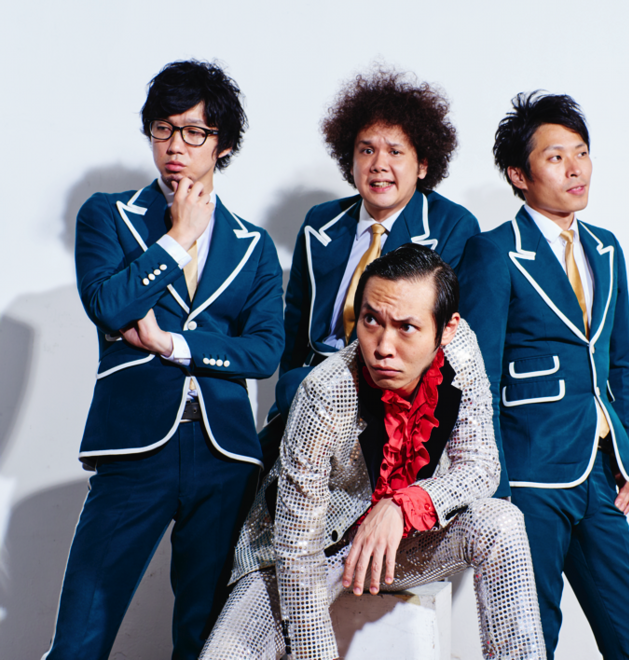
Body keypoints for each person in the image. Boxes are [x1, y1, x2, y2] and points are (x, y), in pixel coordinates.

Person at [42, 60, 284, 660]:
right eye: (163, 129)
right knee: (82, 632)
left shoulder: (254, 246)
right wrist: (178, 239)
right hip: (135, 444)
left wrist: (172, 345)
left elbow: (264, 350)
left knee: (205, 637)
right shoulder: (108, 215)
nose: (176, 146)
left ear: (223, 145)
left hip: (224, 454)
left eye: (194, 132)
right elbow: (109, 304)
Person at [201, 245, 545, 660]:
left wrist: (405, 505)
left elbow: (482, 466)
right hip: (304, 555)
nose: (383, 346)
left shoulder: (461, 351)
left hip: (400, 546)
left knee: (502, 521)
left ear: (447, 329)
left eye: (406, 328)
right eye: (371, 321)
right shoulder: (325, 392)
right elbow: (296, 547)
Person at [458, 92, 629, 659]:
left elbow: (621, 362)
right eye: (555, 157)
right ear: (518, 175)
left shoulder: (606, 249)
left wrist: (627, 456)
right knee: (530, 640)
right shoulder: (493, 252)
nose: (575, 169)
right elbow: (474, 378)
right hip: (528, 478)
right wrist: (495, 488)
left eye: (581, 152)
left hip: (598, 473)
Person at [268, 68, 480, 431]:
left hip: (395, 400)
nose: (379, 164)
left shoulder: (452, 226)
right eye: (367, 150)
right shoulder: (320, 222)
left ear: (423, 164)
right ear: (349, 159)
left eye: (395, 151)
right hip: (310, 394)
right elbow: (296, 325)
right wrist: (283, 404)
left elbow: (450, 341)